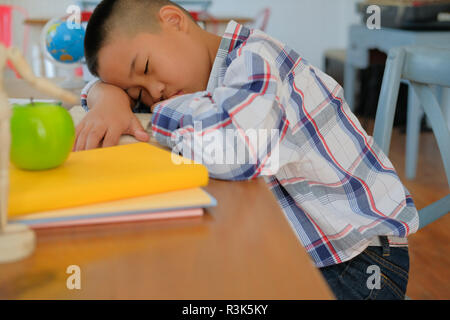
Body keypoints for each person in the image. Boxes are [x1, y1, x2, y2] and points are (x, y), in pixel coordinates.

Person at [76, 0, 419, 300]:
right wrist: (105, 97)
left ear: (174, 20)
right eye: (137, 94)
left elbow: (239, 149)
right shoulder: (200, 80)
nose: (154, 92)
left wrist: (152, 114)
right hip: (302, 252)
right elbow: (102, 90)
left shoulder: (257, 57)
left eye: (147, 69)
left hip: (359, 265)